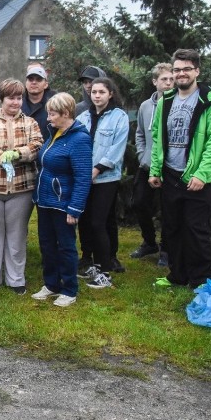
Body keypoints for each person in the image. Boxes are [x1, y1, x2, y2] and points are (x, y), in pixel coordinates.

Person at [149, 49, 211, 289]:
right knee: (173, 228)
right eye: (177, 69)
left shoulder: (209, 100)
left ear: (197, 71)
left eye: (186, 69)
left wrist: (201, 174)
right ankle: (178, 275)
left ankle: (200, 280)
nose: (181, 74)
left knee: (196, 230)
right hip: (171, 175)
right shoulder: (166, 100)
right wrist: (155, 170)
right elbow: (158, 137)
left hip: (198, 177)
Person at [0, 78, 43, 294]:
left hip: (22, 187)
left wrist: (19, 153)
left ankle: (16, 279)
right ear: (2, 99)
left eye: (18, 98)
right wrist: (1, 156)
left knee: (17, 235)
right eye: (11, 98)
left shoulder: (30, 123)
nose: (15, 102)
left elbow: (37, 144)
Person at [32, 93, 92, 307]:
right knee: (47, 244)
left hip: (64, 204)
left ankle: (69, 289)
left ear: (66, 113)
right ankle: (51, 284)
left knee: (66, 247)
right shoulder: (54, 133)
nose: (48, 118)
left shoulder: (79, 139)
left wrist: (74, 208)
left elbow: (83, 177)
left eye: (52, 113)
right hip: (45, 201)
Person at [76, 77, 129, 289]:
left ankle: (105, 272)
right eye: (94, 92)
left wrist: (97, 170)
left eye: (101, 92)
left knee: (99, 223)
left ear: (110, 94)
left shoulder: (119, 117)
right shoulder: (82, 117)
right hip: (84, 177)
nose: (97, 95)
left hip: (106, 178)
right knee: (85, 221)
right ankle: (93, 263)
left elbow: (116, 149)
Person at [130, 63, 174, 266]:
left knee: (168, 209)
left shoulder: (178, 104)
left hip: (170, 167)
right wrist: (142, 156)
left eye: (171, 79)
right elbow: (140, 133)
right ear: (155, 82)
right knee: (139, 202)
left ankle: (166, 249)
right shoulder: (146, 106)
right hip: (147, 165)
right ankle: (149, 242)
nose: (168, 82)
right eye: (164, 79)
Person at [22, 63, 57, 140]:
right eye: (30, 79)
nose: (34, 82)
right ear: (26, 83)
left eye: (39, 79)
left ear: (46, 84)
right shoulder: (17, 103)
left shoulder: (56, 104)